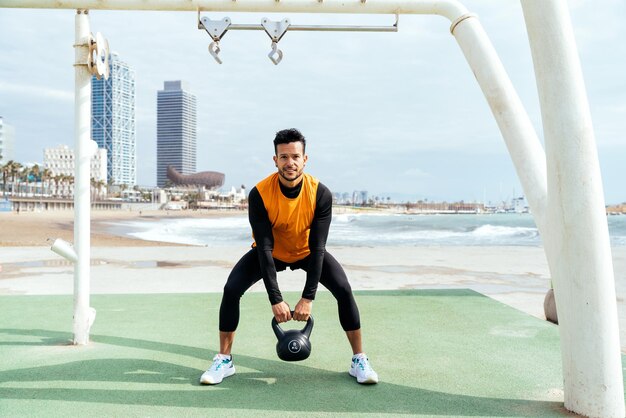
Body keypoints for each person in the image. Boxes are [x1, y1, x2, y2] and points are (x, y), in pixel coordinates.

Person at [200, 128, 378, 385]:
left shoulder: (320, 194)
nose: (290, 162)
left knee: (343, 288)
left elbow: (318, 247)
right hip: (272, 253)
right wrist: (276, 299)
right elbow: (263, 247)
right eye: (283, 157)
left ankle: (359, 359)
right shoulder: (260, 193)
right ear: (275, 160)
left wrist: (307, 298)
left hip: (307, 252)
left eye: (295, 156)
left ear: (305, 159)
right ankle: (224, 360)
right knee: (231, 289)